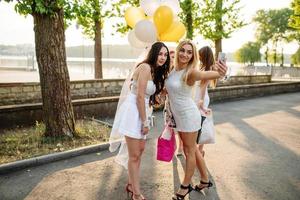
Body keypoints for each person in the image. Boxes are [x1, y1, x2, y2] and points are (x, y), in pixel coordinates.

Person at [165, 40, 227, 200]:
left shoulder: (190, 72)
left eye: (189, 52)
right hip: (179, 116)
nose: (185, 54)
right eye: (183, 50)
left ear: (193, 56)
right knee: (191, 148)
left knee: (189, 150)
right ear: (178, 51)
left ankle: (185, 186)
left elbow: (210, 74)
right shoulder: (173, 70)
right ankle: (205, 180)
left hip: (189, 116)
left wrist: (222, 72)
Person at [109, 42, 170, 200]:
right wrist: (144, 122)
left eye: (165, 55)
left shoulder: (156, 71)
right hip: (134, 112)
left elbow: (153, 100)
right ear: (153, 53)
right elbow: (139, 96)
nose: (162, 57)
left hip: (144, 111)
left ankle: (131, 184)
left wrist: (163, 93)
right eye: (160, 54)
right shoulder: (145, 67)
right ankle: (136, 194)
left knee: (140, 150)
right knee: (134, 155)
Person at [193, 46, 217, 192]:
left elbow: (201, 89)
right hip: (201, 98)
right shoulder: (207, 68)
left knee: (199, 127)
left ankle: (199, 153)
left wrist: (200, 104)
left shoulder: (204, 70)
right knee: (201, 128)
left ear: (201, 55)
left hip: (199, 99)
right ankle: (200, 152)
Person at [163, 50, 184, 155]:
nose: (172, 59)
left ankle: (181, 146)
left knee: (179, 127)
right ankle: (171, 147)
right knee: (169, 127)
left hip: (177, 103)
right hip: (168, 103)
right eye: (170, 57)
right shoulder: (165, 72)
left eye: (173, 57)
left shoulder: (178, 71)